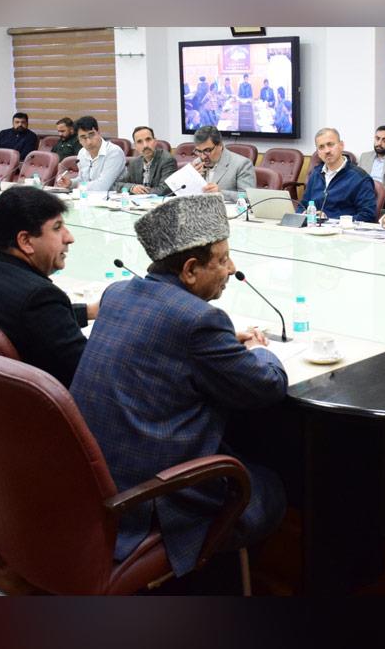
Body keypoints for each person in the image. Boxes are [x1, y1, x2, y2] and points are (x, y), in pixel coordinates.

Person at [70, 193, 287, 579]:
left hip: (91, 484)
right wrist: (258, 350)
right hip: (151, 498)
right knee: (273, 485)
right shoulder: (199, 321)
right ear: (189, 270)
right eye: (221, 259)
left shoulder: (118, 293)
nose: (230, 268)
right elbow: (266, 386)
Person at [0, 185, 97, 387]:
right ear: (25, 241)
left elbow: (32, 325)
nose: (69, 238)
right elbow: (89, 371)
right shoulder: (39, 297)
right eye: (57, 228)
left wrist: (90, 312)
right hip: (42, 411)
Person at [297, 128, 377, 222]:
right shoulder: (316, 173)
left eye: (330, 144)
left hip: (342, 233)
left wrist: (329, 220)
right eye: (321, 147)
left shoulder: (360, 178)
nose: (327, 150)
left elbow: (367, 216)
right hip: (312, 229)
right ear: (318, 152)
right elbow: (302, 205)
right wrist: (303, 215)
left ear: (341, 145)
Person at [54, 115, 125, 192]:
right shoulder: (82, 153)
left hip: (112, 199)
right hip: (89, 197)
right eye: (83, 137)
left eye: (91, 135)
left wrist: (78, 187)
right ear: (78, 139)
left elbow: (102, 186)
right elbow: (83, 179)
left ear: (98, 132)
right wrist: (71, 183)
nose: (89, 142)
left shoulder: (114, 152)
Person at [191, 125, 256, 202]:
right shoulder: (196, 163)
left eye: (207, 150)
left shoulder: (242, 164)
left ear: (220, 145)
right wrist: (191, 178)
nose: (203, 156)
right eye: (198, 151)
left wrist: (221, 193)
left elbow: (248, 196)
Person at [112, 125, 177, 195]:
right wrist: (132, 188)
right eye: (139, 142)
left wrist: (140, 191)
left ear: (155, 141)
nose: (145, 145)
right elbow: (118, 184)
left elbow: (165, 190)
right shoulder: (135, 163)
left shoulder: (167, 160)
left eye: (148, 139)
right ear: (135, 146)